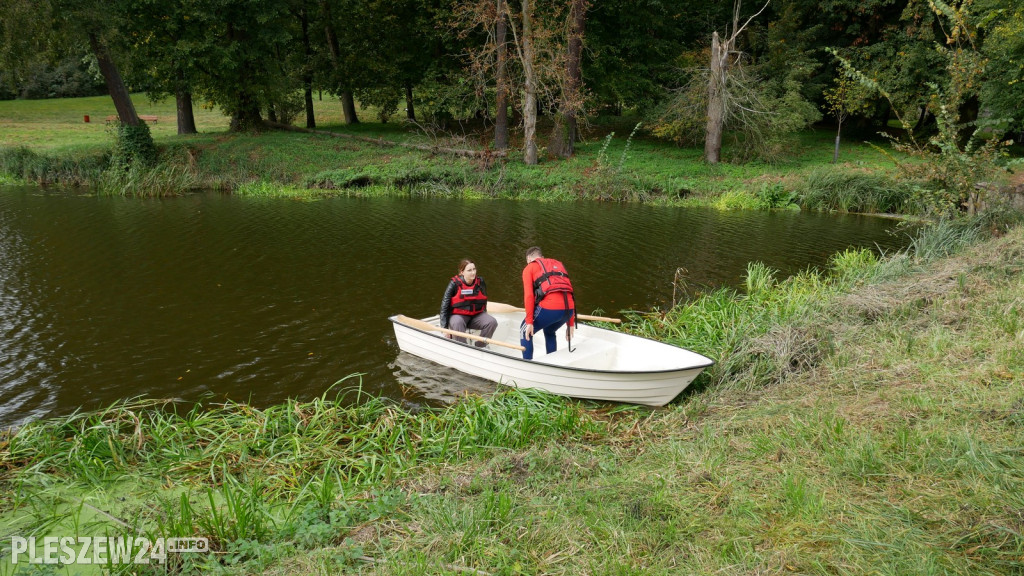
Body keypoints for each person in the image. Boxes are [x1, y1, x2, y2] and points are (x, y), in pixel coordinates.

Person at [520, 246, 575, 360]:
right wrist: (570, 324)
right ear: (542, 257)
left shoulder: (530, 267)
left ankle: (527, 364)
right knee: (549, 330)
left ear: (529, 259)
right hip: (569, 310)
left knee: (524, 329)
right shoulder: (557, 266)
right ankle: (552, 362)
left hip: (551, 308)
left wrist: (529, 322)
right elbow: (567, 292)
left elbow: (529, 296)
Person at [439, 258, 498, 347]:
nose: (473, 272)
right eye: (469, 270)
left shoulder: (480, 282)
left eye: (474, 269)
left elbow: (483, 301)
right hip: (458, 316)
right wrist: (444, 328)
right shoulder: (454, 284)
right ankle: (463, 347)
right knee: (457, 323)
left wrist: (484, 314)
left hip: (475, 316)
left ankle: (480, 346)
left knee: (492, 322)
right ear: (462, 272)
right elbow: (444, 306)